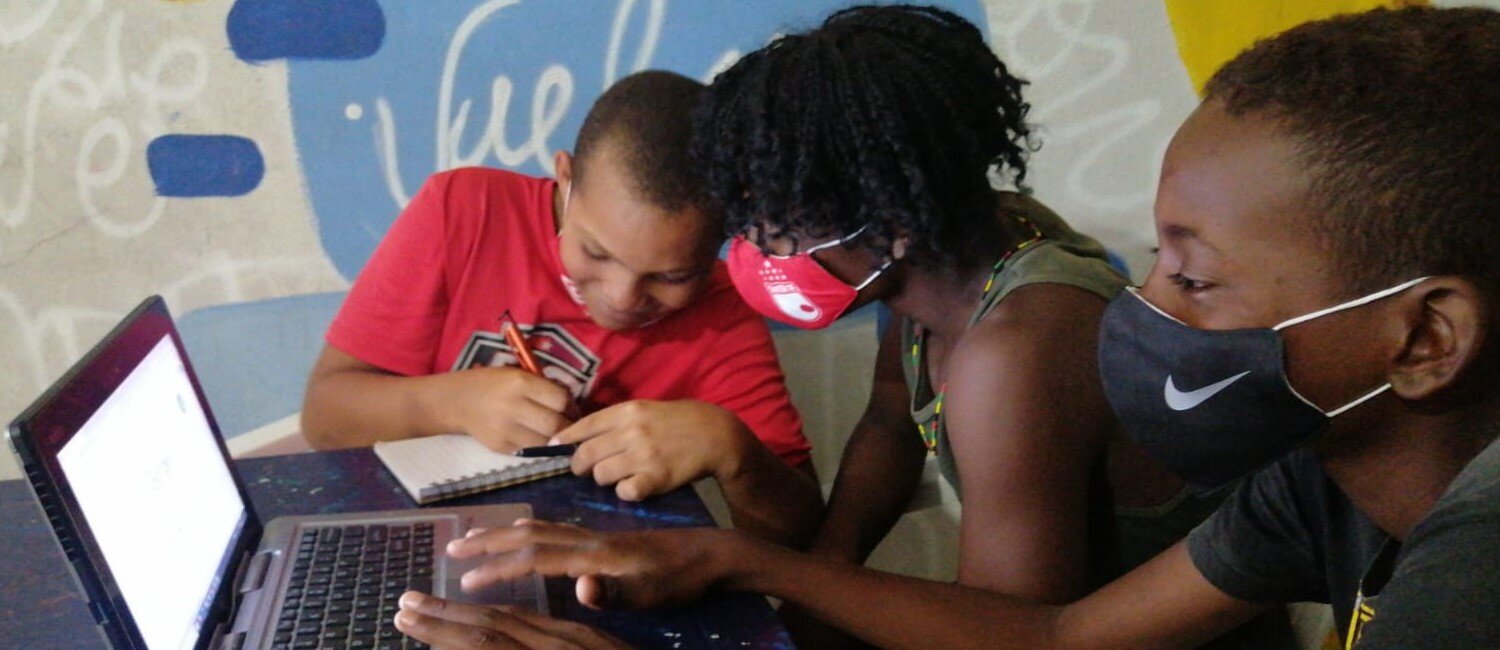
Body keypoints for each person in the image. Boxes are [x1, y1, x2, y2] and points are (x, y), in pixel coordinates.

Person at [396, 5, 1500, 649]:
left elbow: (1014, 626)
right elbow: (893, 425)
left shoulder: (1018, 349)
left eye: (1194, 277)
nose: (1147, 302)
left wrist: (749, 577)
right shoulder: (948, 274)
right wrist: (762, 573)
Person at [300, 71, 822, 545]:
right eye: (596, 252)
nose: (622, 297)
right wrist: (451, 403)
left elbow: (801, 537)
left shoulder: (724, 313)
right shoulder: (463, 211)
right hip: (414, 543)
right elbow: (324, 418)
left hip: (590, 572)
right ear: (565, 179)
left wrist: (732, 450)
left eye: (672, 276)